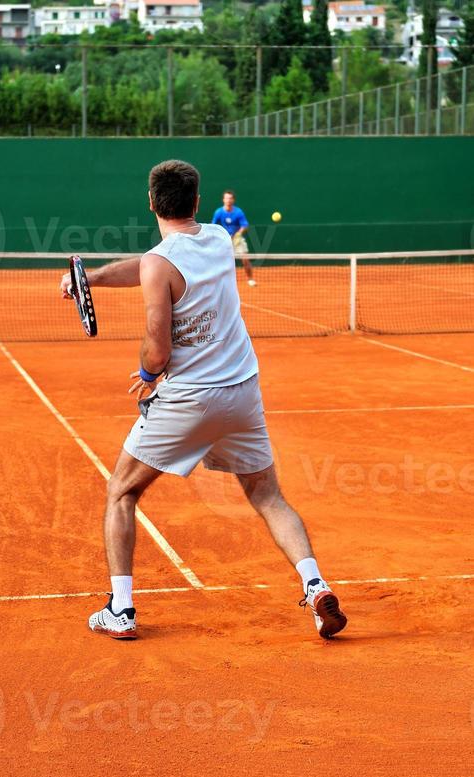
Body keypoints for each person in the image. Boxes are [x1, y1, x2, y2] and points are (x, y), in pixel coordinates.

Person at [60, 159, 347, 642]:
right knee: (268, 496)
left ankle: (121, 609)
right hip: (242, 393)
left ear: (151, 203)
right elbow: (151, 265)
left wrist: (150, 373)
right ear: (196, 202)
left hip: (189, 399)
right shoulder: (216, 238)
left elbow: (158, 340)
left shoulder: (158, 263)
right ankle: (315, 586)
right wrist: (96, 278)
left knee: (122, 493)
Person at [212, 190, 256, 286]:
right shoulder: (219, 212)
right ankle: (218, 280)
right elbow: (213, 226)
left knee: (245, 258)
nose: (228, 200)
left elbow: (245, 225)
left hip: (237, 239)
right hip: (224, 240)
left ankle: (250, 279)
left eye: (230, 198)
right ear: (223, 200)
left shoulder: (238, 212)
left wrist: (238, 234)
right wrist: (221, 236)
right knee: (218, 260)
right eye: (227, 198)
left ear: (233, 200)